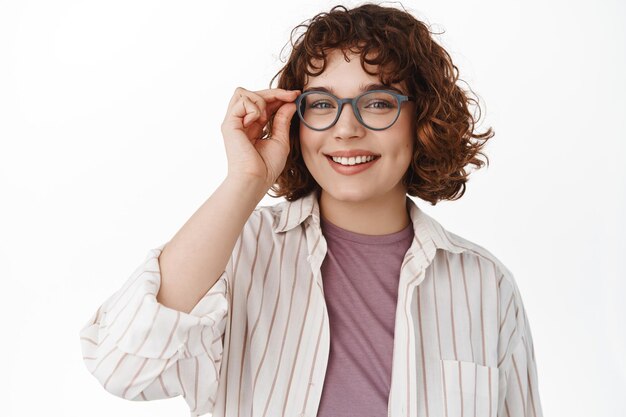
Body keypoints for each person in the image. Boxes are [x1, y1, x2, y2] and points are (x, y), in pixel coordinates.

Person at [79, 3, 543, 417]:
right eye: (321, 104)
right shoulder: (236, 250)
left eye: (377, 102)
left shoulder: (485, 284)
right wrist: (245, 181)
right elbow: (122, 365)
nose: (345, 129)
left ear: (423, 117)